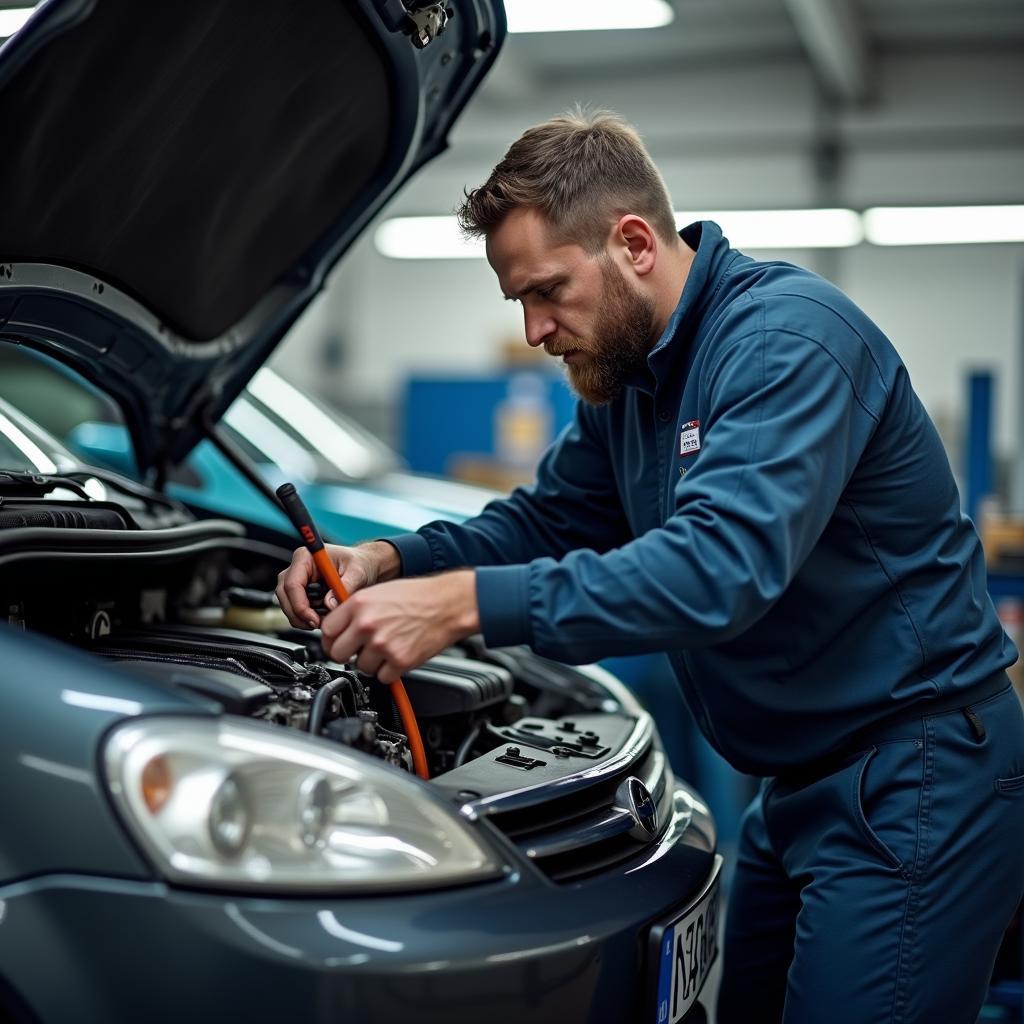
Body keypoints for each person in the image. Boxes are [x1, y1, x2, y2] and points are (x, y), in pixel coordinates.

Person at [276, 110, 1024, 1022]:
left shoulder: (784, 343)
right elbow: (554, 518)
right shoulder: (631, 380)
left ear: (633, 242)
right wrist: (396, 558)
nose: (536, 328)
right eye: (519, 301)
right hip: (797, 785)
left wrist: (463, 605)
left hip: (916, 775)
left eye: (548, 290)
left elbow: (720, 568)